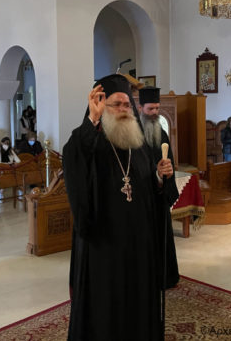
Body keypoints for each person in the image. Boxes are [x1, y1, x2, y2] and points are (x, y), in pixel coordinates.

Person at [63, 74, 177, 341]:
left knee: (138, 301)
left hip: (139, 246)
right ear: (102, 106)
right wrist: (91, 121)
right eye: (116, 104)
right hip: (104, 246)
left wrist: (160, 178)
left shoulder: (138, 145)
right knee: (107, 306)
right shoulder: (88, 141)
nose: (124, 110)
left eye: (127, 104)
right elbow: (74, 159)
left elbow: (148, 190)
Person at [137, 85, 180, 290]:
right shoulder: (133, 136)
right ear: (140, 108)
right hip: (142, 197)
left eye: (157, 108)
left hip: (159, 195)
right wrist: (154, 174)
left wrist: (167, 174)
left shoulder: (161, 133)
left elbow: (169, 160)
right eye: (150, 109)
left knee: (162, 237)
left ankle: (166, 277)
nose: (155, 113)